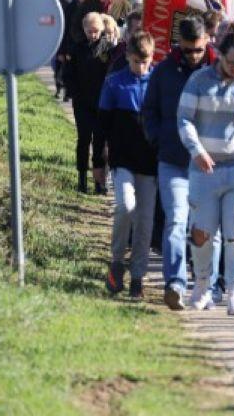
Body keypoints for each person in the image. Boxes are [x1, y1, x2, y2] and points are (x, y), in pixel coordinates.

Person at [177, 27, 234, 317]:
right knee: (202, 233)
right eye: (232, 63)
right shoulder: (199, 80)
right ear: (220, 54)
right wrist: (197, 151)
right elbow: (184, 119)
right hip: (204, 169)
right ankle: (202, 286)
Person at [141, 17, 216, 311]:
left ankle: (206, 283)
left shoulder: (218, 70)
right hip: (172, 160)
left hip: (209, 164)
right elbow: (149, 110)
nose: (193, 57)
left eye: (198, 50)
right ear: (178, 46)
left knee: (207, 227)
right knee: (175, 220)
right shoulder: (164, 72)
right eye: (187, 51)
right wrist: (158, 138)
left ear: (207, 42)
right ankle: (175, 282)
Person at [99, 31, 157, 300]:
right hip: (122, 159)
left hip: (150, 162)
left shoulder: (158, 82)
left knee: (145, 221)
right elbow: (102, 126)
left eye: (145, 63)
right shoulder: (114, 83)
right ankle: (116, 261)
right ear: (128, 57)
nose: (140, 68)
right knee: (125, 205)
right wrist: (98, 160)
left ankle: (137, 276)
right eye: (135, 62)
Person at [67, 12, 114, 195]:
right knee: (83, 139)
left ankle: (98, 181)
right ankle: (81, 179)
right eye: (89, 31)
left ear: (101, 29)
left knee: (100, 142)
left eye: (96, 31)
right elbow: (68, 74)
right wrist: (75, 93)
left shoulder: (108, 49)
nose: (92, 34)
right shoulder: (77, 48)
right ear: (84, 29)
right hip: (82, 102)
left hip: (102, 103)